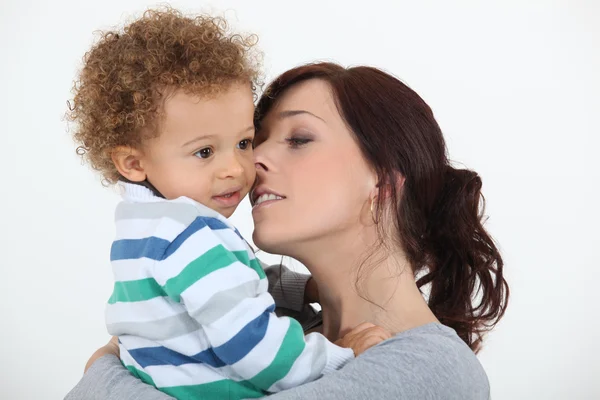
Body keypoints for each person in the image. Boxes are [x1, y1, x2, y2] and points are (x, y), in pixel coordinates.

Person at [65, 62, 509, 399]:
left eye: (298, 139)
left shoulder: (429, 367)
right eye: (254, 139)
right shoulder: (262, 323)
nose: (249, 161)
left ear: (385, 178)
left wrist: (101, 372)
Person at [66, 9, 389, 400]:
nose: (235, 168)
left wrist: (298, 289)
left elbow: (229, 281)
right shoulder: (188, 231)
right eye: (204, 152)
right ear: (133, 163)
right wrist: (340, 356)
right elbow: (256, 351)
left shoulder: (144, 228)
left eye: (243, 142)